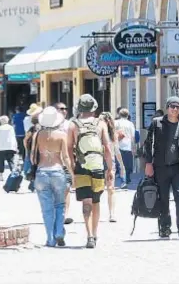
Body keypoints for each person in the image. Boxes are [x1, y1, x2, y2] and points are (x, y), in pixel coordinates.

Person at [144, 96, 179, 240]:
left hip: (178, 168)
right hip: (160, 167)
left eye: (178, 107)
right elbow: (148, 144)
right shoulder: (157, 123)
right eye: (172, 106)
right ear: (167, 107)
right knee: (164, 199)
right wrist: (148, 163)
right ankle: (165, 228)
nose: (175, 109)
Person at [67, 94, 114, 248]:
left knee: (86, 202)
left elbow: (69, 148)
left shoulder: (73, 125)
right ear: (94, 108)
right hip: (98, 166)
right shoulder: (100, 124)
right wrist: (110, 169)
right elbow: (107, 147)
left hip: (81, 166)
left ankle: (89, 235)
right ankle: (95, 233)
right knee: (96, 201)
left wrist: (72, 167)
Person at [31, 107, 73, 247]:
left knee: (46, 208)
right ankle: (59, 232)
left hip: (42, 172)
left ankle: (50, 239)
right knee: (60, 204)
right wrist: (72, 174)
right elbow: (66, 157)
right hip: (58, 171)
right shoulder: (62, 135)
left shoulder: (37, 134)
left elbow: (32, 158)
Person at [99, 112, 125, 222]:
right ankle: (97, 212)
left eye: (101, 120)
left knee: (111, 188)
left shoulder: (112, 134)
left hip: (109, 163)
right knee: (98, 189)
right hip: (98, 162)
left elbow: (116, 150)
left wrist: (122, 165)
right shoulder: (97, 132)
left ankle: (112, 214)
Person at [115, 108, 136, 185]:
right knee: (127, 164)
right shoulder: (130, 124)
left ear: (119, 115)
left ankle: (123, 179)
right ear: (127, 115)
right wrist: (134, 147)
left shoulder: (116, 122)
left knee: (121, 164)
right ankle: (127, 178)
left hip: (118, 146)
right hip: (128, 146)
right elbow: (133, 136)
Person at [0, 115, 18, 181]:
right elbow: (13, 137)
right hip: (10, 146)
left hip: (1, 147)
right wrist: (15, 146)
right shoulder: (11, 127)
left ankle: (0, 175)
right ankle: (13, 174)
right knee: (11, 161)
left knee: (1, 161)